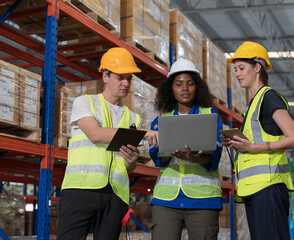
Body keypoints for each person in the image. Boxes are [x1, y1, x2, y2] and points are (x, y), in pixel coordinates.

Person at [57, 47, 159, 240]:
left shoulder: (132, 118)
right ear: (105, 76)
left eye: (128, 78)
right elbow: (95, 134)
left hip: (115, 194)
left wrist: (131, 160)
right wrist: (144, 134)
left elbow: (128, 167)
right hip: (81, 189)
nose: (125, 83)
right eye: (120, 77)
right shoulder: (85, 102)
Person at [222, 41, 294, 240]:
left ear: (257, 67)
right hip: (256, 189)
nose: (237, 73)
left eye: (241, 68)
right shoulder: (253, 103)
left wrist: (255, 147)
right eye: (235, 69)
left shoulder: (268, 97)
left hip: (269, 187)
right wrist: (236, 143)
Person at [148, 59, 223, 240]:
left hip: (203, 201)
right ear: (170, 88)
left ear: (197, 87)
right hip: (166, 201)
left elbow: (214, 157)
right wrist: (165, 155)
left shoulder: (210, 116)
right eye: (179, 84)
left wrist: (194, 158)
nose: (184, 89)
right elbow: (158, 160)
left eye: (190, 84)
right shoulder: (160, 121)